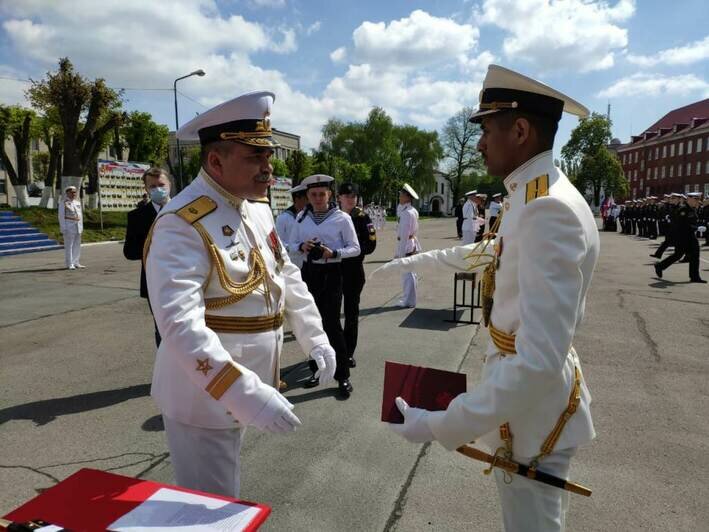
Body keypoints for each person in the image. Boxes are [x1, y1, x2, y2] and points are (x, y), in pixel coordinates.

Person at [387, 65, 598, 532]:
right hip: (525, 401)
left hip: (533, 408)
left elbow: (539, 360)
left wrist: (442, 424)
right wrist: (417, 263)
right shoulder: (532, 194)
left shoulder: (546, 208)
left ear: (520, 130)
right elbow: (493, 255)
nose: (480, 142)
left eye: (486, 128)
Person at [144, 91, 337, 498]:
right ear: (215, 161)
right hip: (204, 396)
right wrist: (243, 394)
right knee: (210, 510)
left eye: (268, 157)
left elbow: (285, 275)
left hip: (250, 383)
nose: (268, 169)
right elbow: (180, 326)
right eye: (255, 158)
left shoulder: (256, 207)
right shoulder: (181, 222)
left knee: (223, 503)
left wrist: (314, 336)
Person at [290, 174, 360, 398]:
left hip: (332, 273)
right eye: (313, 194)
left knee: (331, 324)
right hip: (309, 273)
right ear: (307, 196)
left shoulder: (341, 218)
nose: (318, 198)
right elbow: (289, 244)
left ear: (330, 195)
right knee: (311, 323)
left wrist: (334, 252)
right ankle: (317, 370)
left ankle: (342, 375)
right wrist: (302, 245)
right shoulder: (301, 217)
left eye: (322, 194)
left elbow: (355, 248)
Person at [123, 167, 171, 347]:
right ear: (146, 189)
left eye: (161, 185)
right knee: (163, 330)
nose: (158, 189)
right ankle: (167, 371)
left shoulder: (187, 210)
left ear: (169, 184)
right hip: (155, 282)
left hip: (191, 278)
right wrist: (155, 247)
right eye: (152, 186)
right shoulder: (137, 216)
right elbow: (129, 252)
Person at [338, 182, 377, 368]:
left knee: (351, 314)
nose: (350, 200)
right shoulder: (332, 216)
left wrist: (352, 250)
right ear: (339, 198)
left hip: (353, 271)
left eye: (353, 197)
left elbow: (371, 244)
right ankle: (335, 348)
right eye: (346, 196)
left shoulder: (361, 217)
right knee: (330, 314)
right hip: (334, 271)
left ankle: (348, 352)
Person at [654, 192, 706, 283]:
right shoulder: (683, 210)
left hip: (691, 236)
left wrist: (698, 227)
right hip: (682, 236)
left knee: (695, 255)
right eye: (696, 199)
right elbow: (682, 225)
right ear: (689, 199)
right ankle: (660, 266)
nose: (697, 201)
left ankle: (694, 277)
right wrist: (697, 228)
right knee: (678, 255)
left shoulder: (692, 209)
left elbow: (692, 222)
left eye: (698, 199)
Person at [396, 183, 421, 308]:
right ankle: (410, 300)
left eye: (401, 195)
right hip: (411, 243)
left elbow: (405, 234)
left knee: (407, 274)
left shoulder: (406, 213)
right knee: (411, 273)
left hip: (406, 244)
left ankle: (407, 300)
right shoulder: (412, 210)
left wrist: (400, 252)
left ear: (407, 197)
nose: (399, 197)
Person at [275, 183, 308, 268]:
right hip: (291, 262)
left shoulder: (308, 216)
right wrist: (297, 248)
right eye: (306, 198)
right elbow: (279, 242)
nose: (309, 201)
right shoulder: (283, 218)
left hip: (307, 262)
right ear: (297, 199)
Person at [58, 185, 84, 270]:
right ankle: (69, 264)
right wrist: (63, 228)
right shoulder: (63, 202)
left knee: (77, 245)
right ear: (67, 193)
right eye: (72, 192)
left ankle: (76, 262)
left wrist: (81, 226)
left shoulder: (77, 202)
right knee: (69, 246)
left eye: (75, 192)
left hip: (78, 227)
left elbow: (80, 216)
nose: (74, 194)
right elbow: (61, 216)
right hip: (69, 227)